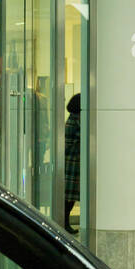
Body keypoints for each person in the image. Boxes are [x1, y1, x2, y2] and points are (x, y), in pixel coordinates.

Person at [64, 94, 81, 232]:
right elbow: (67, 143)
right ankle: (64, 223)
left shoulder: (75, 119)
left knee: (71, 196)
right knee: (69, 197)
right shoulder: (74, 121)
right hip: (72, 162)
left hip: (74, 162)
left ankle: (65, 222)